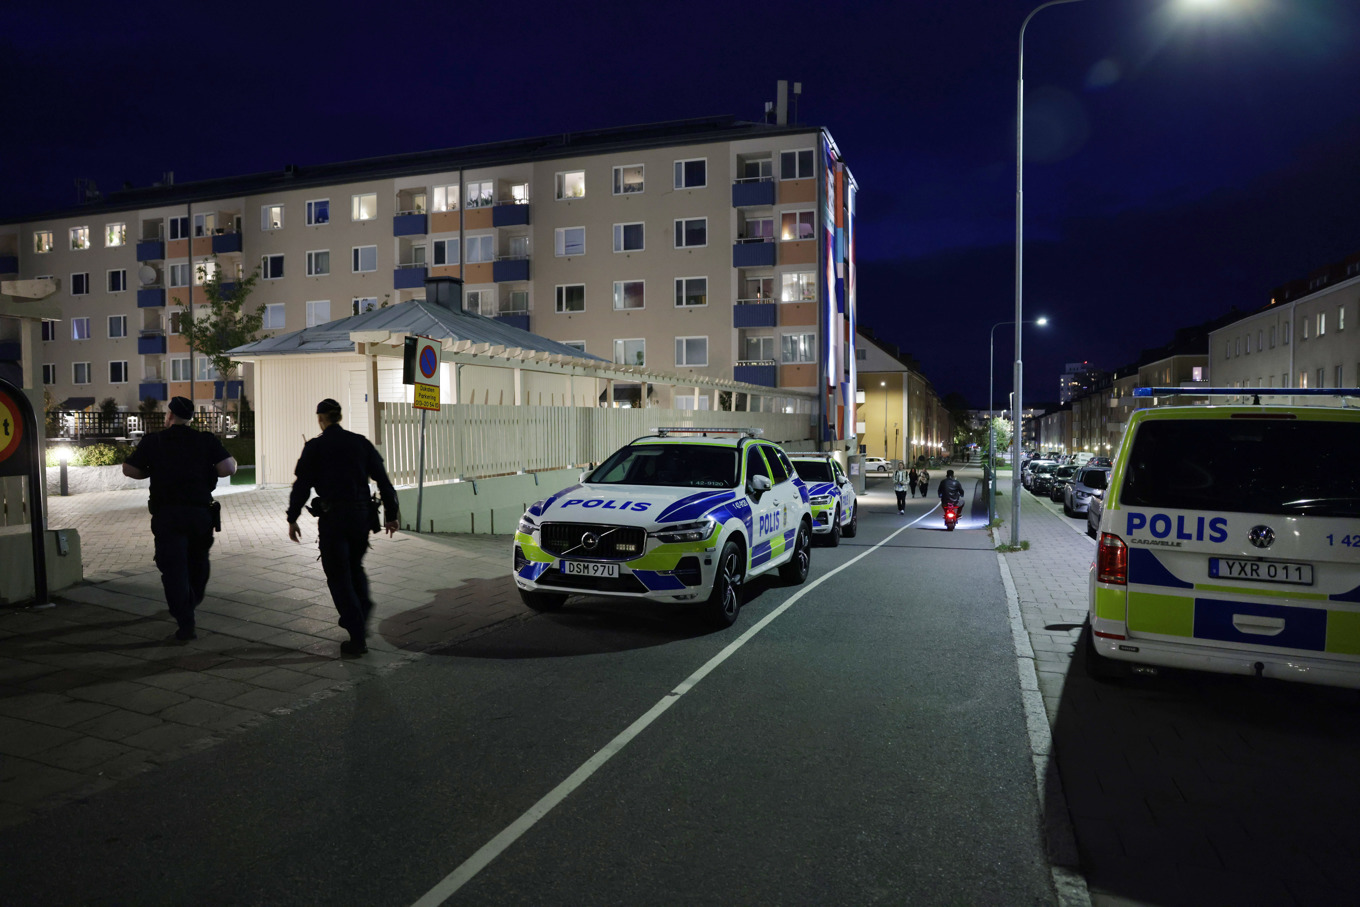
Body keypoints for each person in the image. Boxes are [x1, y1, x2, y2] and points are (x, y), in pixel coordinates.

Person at [287, 398, 399, 656]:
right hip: (361, 516)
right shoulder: (360, 442)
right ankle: (363, 606)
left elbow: (301, 485)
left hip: (334, 518)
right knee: (355, 566)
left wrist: (292, 517)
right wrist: (391, 515)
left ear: (321, 419)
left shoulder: (315, 447)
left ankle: (356, 635)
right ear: (338, 417)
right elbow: (384, 480)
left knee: (337, 574)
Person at [122, 396, 237, 640]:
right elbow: (228, 468)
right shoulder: (205, 440)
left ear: (170, 415)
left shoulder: (155, 441)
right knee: (198, 562)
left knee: (173, 569)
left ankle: (185, 622)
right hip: (199, 514)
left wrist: (153, 470)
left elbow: (129, 469)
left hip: (168, 515)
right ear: (191, 417)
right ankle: (192, 600)